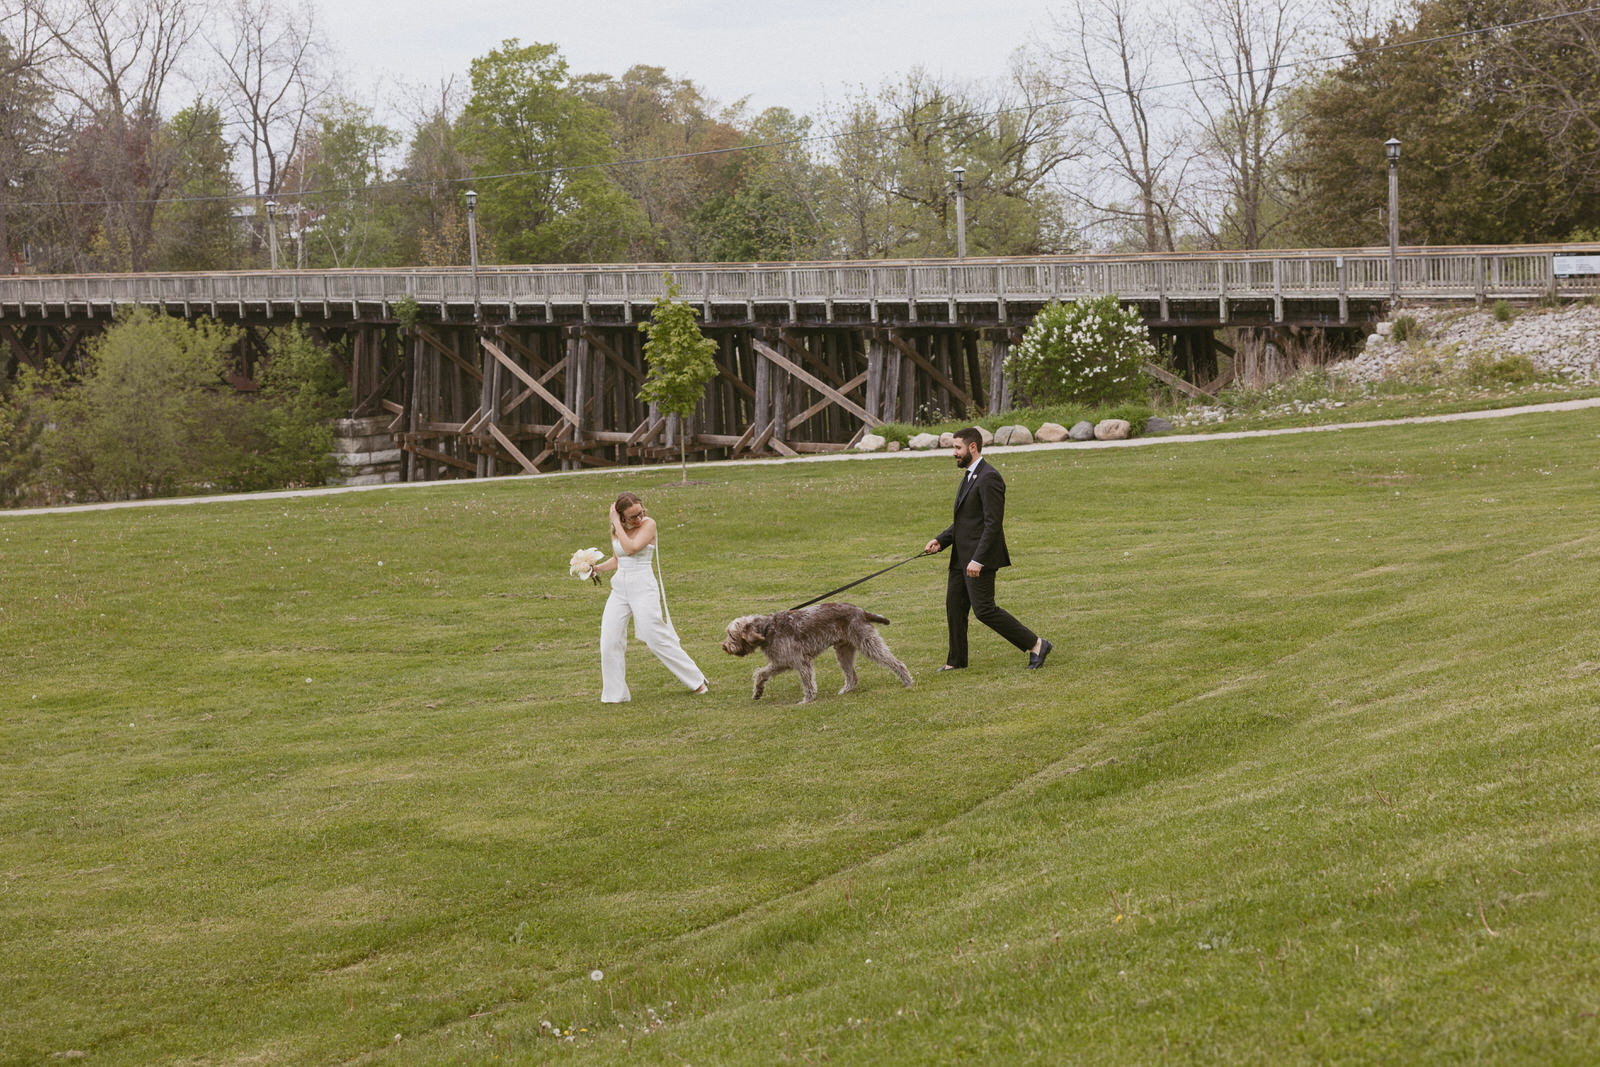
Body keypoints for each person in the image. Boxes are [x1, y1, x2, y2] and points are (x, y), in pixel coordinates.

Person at [923, 428, 1052, 671]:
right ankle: (956, 661)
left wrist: (978, 560)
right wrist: (941, 541)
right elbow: (966, 522)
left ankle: (1036, 644)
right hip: (960, 558)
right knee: (955, 608)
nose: (954, 453)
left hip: (977, 560)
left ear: (973, 447)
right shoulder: (971, 475)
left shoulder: (989, 477)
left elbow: (993, 525)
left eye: (958, 448)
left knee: (984, 610)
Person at [592, 492, 709, 702]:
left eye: (640, 512)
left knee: (655, 637)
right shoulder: (617, 530)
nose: (638, 518)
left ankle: (696, 680)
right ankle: (614, 695)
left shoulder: (648, 524)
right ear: (622, 517)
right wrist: (596, 568)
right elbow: (618, 559)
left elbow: (631, 549)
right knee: (609, 641)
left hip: (643, 587)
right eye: (632, 517)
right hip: (619, 589)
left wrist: (616, 523)